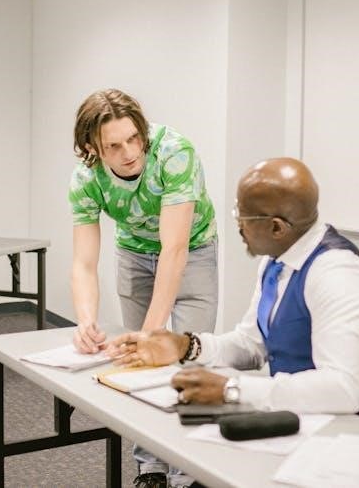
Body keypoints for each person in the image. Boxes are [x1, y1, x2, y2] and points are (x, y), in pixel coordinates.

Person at [107, 157, 359, 430]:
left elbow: (342, 390)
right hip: (303, 423)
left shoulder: (338, 276)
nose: (238, 225)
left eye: (243, 217)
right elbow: (252, 344)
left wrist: (231, 389)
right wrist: (186, 346)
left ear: (277, 228)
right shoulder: (277, 261)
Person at [68, 88, 218, 488]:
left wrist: (152, 334)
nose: (130, 152)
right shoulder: (86, 178)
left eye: (134, 138)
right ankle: (150, 468)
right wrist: (86, 321)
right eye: (114, 146)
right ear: (92, 148)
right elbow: (84, 262)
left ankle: (187, 473)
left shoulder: (174, 152)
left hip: (192, 249)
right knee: (138, 365)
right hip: (134, 252)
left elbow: (174, 249)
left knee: (189, 357)